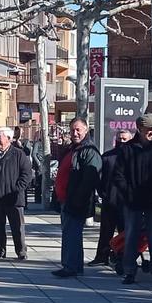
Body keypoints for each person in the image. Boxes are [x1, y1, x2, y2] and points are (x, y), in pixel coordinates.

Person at [115, 114, 152, 285]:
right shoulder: (127, 149)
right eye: (149, 129)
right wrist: (128, 193)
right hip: (132, 202)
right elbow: (118, 176)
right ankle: (129, 271)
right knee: (131, 236)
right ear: (139, 129)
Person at [53, 118, 102, 278]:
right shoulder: (72, 149)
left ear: (86, 130)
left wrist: (77, 200)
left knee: (72, 233)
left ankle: (71, 266)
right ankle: (71, 265)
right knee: (68, 233)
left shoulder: (89, 151)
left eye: (78, 130)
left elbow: (89, 179)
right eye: (72, 130)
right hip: (65, 199)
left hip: (76, 201)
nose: (75, 133)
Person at [0, 126, 34, 261]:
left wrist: (17, 189)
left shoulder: (18, 154)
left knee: (17, 227)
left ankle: (21, 251)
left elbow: (27, 174)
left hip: (14, 198)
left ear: (8, 139)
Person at [90, 129, 133, 266]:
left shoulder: (134, 158)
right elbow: (98, 178)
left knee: (125, 232)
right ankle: (102, 256)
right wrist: (103, 193)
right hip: (110, 201)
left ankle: (123, 257)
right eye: (119, 139)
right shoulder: (107, 157)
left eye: (125, 139)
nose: (121, 142)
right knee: (105, 232)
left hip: (127, 203)